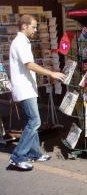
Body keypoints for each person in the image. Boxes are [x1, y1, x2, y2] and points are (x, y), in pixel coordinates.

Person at [8, 14, 66, 171]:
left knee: (32, 122)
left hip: (28, 88)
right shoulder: (20, 42)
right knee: (35, 122)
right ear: (24, 26)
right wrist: (51, 73)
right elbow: (29, 65)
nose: (35, 30)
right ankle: (17, 157)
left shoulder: (22, 42)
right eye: (33, 27)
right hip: (24, 89)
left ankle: (34, 153)